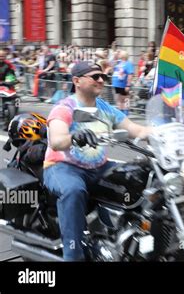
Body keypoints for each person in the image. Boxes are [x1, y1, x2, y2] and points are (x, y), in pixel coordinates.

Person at [43, 61, 154, 261]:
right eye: (95, 76)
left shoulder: (104, 108)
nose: (101, 80)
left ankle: (132, 241)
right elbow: (57, 141)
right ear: (77, 81)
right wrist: (75, 137)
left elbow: (136, 129)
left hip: (99, 167)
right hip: (63, 167)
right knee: (73, 191)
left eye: (103, 76)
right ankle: (73, 255)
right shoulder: (64, 107)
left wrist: (165, 132)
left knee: (140, 177)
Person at [111, 50, 134, 115]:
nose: (119, 54)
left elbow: (130, 74)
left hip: (123, 85)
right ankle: (121, 114)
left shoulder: (128, 64)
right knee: (119, 100)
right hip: (117, 84)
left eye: (120, 53)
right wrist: (116, 54)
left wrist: (128, 85)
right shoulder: (119, 63)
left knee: (125, 99)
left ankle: (126, 113)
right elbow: (112, 64)